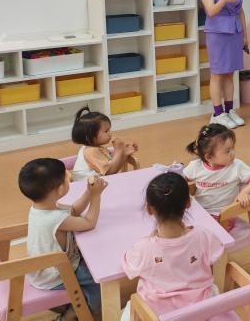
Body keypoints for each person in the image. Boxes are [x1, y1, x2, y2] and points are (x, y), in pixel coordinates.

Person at [120, 172, 226, 321]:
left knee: (128, 307)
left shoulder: (143, 247)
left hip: (156, 315)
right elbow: (217, 252)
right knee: (214, 289)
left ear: (149, 209)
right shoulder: (204, 235)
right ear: (188, 203)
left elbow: (128, 264)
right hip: (200, 312)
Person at [18, 158, 106, 319]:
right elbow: (89, 223)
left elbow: (73, 211)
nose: (69, 175)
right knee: (97, 283)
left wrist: (88, 192)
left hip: (41, 271)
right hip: (55, 275)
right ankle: (74, 315)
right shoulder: (54, 218)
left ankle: (73, 306)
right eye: (65, 176)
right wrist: (96, 196)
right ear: (59, 190)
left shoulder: (42, 207)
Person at [199, 0, 249, 128]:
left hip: (235, 32)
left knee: (230, 73)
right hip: (218, 33)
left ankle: (229, 110)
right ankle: (218, 114)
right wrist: (223, 0)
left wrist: (245, 35)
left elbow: (240, 11)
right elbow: (210, 11)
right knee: (218, 73)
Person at [183, 123, 250, 231]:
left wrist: (245, 192)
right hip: (200, 213)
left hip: (223, 216)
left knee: (200, 233)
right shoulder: (196, 166)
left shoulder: (236, 166)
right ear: (209, 157)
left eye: (233, 148)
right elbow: (182, 179)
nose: (232, 153)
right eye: (227, 151)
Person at [70, 107, 138, 182]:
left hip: (98, 183)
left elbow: (113, 164)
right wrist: (119, 151)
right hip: (86, 185)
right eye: (106, 131)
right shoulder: (91, 151)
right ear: (88, 137)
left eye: (109, 130)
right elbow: (110, 172)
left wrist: (124, 154)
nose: (110, 134)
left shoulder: (96, 148)